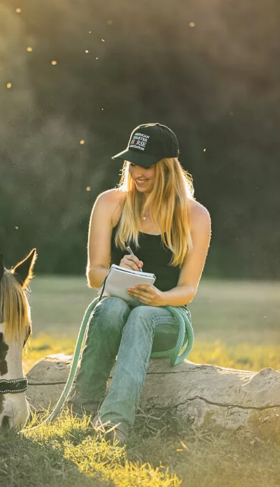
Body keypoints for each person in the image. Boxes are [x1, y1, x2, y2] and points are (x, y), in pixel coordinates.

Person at [69, 123, 211, 445]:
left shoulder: (195, 216)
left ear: (166, 167)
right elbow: (95, 275)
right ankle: (80, 410)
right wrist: (117, 271)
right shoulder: (111, 203)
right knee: (112, 308)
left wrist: (160, 298)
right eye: (132, 163)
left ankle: (113, 426)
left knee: (141, 315)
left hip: (166, 318)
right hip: (117, 314)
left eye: (144, 164)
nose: (136, 172)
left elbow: (188, 289)